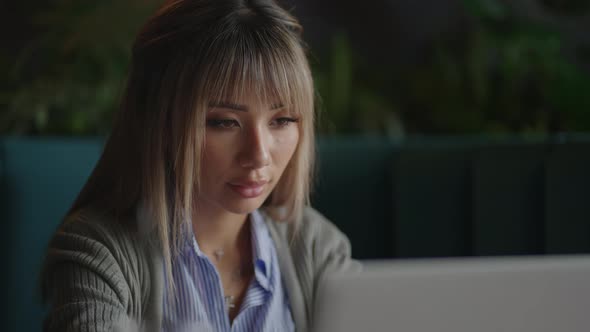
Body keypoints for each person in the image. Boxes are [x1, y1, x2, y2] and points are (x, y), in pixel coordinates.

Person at [40, 0, 360, 331]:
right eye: (224, 122)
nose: (259, 155)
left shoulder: (317, 246)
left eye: (282, 120)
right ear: (159, 123)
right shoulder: (99, 253)